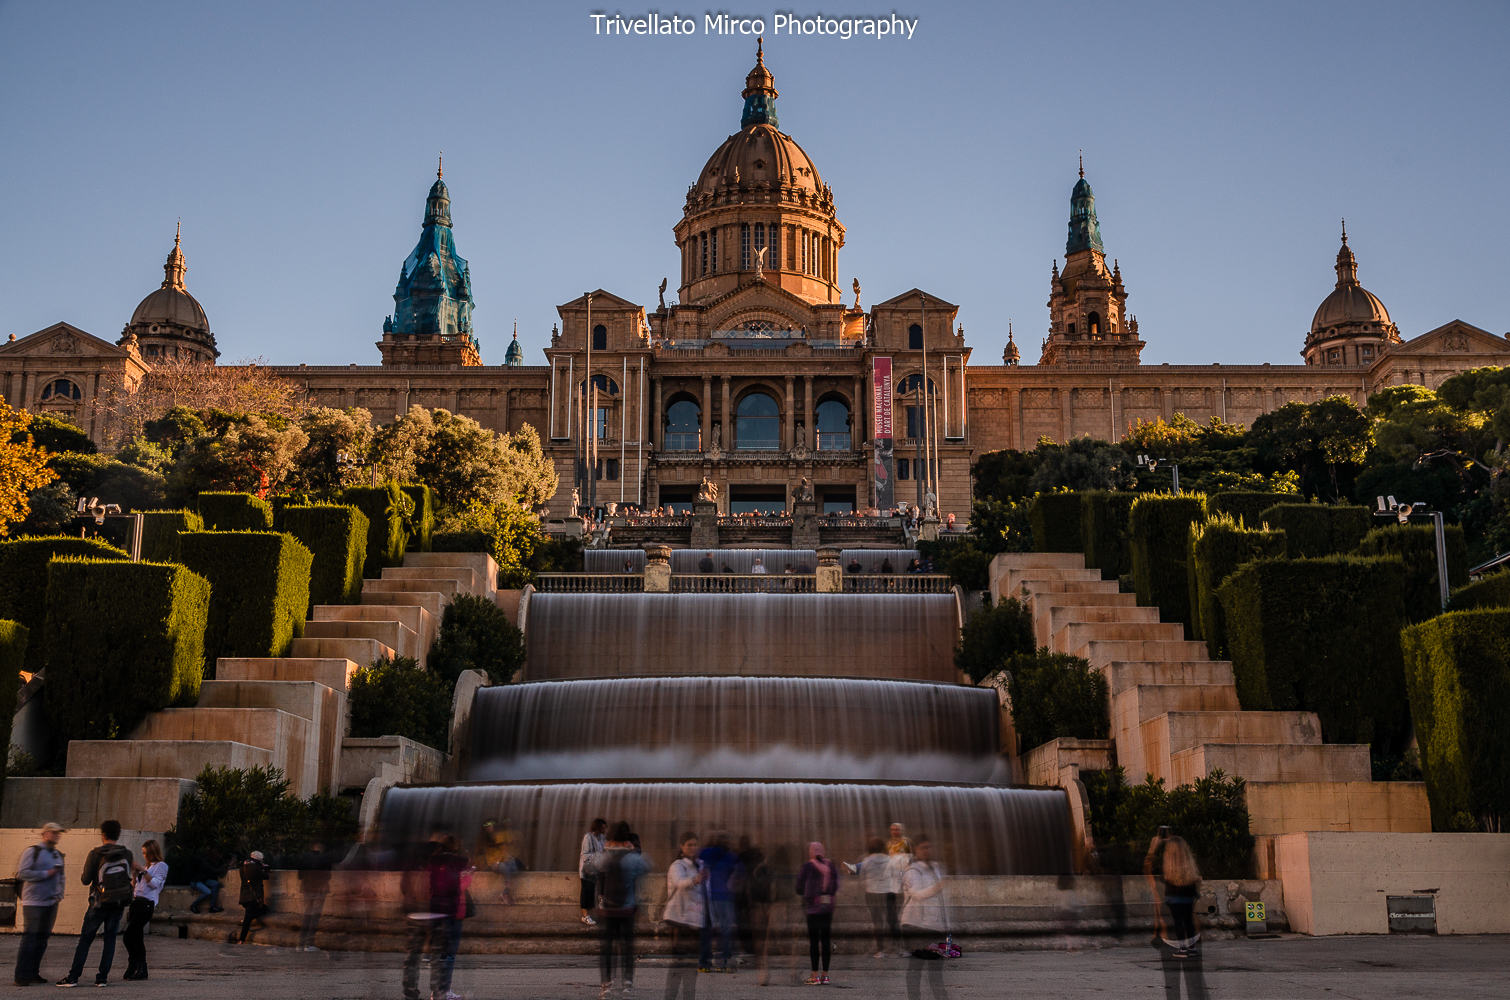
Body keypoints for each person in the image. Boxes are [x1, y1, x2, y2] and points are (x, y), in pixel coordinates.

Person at [57, 820, 133, 987]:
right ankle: (102, 979)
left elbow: (85, 880)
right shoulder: (127, 854)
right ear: (118, 835)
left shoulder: (95, 853)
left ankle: (73, 977)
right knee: (110, 941)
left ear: (102, 834)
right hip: (118, 903)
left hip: (98, 904)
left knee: (85, 940)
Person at [586, 821, 652, 998]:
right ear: (626, 838)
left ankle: (606, 984)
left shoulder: (605, 857)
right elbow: (647, 868)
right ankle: (628, 984)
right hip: (627, 910)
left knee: (607, 948)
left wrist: (607, 850)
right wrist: (632, 850)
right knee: (627, 947)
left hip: (607, 911)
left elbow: (589, 867)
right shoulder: (633, 858)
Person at [402, 831, 470, 1000]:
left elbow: (404, 886)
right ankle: (437, 991)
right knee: (436, 956)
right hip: (437, 913)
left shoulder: (414, 862)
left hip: (414, 914)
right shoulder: (448, 864)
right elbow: (453, 888)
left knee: (413, 956)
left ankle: (410, 992)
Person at [14, 822, 65, 987]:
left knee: (42, 938)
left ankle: (33, 973)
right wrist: (46, 873)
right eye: (53, 832)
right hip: (33, 901)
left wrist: (59, 893)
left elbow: (61, 876)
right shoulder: (32, 852)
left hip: (51, 902)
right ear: (44, 834)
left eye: (58, 833)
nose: (56, 835)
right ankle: (21, 975)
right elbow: (22, 873)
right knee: (30, 936)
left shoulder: (57, 854)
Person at [899, 838, 947, 1000]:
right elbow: (917, 894)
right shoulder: (912, 871)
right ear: (916, 851)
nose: (927, 850)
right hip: (915, 925)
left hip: (934, 926)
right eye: (923, 847)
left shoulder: (935, 868)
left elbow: (941, 901)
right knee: (916, 966)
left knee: (936, 970)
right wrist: (938, 887)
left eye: (929, 847)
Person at [662, 833, 705, 1000]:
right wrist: (696, 880)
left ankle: (689, 996)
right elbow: (680, 883)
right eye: (689, 844)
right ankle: (670, 996)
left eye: (695, 844)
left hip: (694, 921)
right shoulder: (677, 866)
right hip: (678, 920)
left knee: (692, 964)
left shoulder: (700, 865)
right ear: (681, 846)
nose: (693, 847)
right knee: (678, 963)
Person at [1147, 833, 1203, 957]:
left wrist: (1156, 845)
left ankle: (1182, 949)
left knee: (1178, 922)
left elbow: (1155, 872)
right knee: (1188, 921)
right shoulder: (1189, 863)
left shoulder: (1168, 864)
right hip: (1188, 896)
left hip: (1174, 897)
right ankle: (1192, 948)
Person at [696, 831, 744, 974]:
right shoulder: (732, 856)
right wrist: (731, 883)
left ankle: (705, 962)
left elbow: (696, 868)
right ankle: (722, 962)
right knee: (725, 930)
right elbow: (741, 875)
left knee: (707, 930)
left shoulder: (704, 852)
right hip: (724, 898)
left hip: (707, 897)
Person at [121, 840, 167, 980]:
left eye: (146, 853)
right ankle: (140, 968)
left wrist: (143, 870)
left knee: (128, 936)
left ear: (153, 852)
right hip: (136, 902)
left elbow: (155, 884)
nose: (145, 856)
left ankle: (134, 963)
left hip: (146, 904)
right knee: (137, 937)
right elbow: (135, 887)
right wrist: (135, 875)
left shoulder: (161, 866)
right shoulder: (147, 866)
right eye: (143, 853)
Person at [795, 842, 839, 985]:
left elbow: (799, 886)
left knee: (814, 941)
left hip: (813, 909)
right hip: (828, 908)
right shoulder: (830, 865)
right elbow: (837, 884)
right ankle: (825, 976)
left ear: (811, 852)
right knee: (825, 940)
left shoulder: (808, 867)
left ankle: (814, 976)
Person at [855, 838, 896, 958]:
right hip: (888, 893)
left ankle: (880, 950)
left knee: (877, 922)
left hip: (872, 893)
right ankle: (894, 949)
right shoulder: (891, 860)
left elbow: (862, 879)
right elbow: (895, 876)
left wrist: (869, 886)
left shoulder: (866, 862)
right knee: (891, 920)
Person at [297, 841, 332, 952]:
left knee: (307, 915)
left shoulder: (304, 857)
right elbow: (328, 875)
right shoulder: (325, 858)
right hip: (319, 889)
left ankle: (300, 944)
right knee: (315, 916)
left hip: (307, 888)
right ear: (321, 848)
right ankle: (309, 944)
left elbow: (300, 875)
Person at [477, 819, 517, 903]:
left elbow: (504, 850)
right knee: (504, 867)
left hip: (503, 861)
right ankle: (506, 893)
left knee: (514, 865)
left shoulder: (501, 836)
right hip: (493, 863)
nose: (489, 827)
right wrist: (481, 864)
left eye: (491, 825)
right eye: (487, 826)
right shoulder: (483, 839)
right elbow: (480, 853)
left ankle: (505, 891)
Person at [237, 851, 270, 944]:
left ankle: (242, 938)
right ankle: (241, 940)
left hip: (244, 897)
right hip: (253, 898)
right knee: (264, 910)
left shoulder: (243, 867)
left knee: (249, 916)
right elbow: (267, 877)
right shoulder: (256, 868)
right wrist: (266, 868)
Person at [580, 818, 607, 925]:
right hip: (587, 870)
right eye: (604, 827)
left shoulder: (602, 838)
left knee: (602, 883)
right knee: (586, 892)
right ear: (598, 827)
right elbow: (585, 855)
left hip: (597, 869)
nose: (606, 829)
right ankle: (585, 916)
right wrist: (600, 857)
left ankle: (602, 898)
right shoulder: (588, 837)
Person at [188, 847, 227, 914]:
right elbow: (215, 870)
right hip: (196, 881)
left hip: (203, 880)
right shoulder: (205, 862)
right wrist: (226, 869)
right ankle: (194, 905)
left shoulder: (209, 861)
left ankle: (212, 906)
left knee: (216, 884)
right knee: (207, 892)